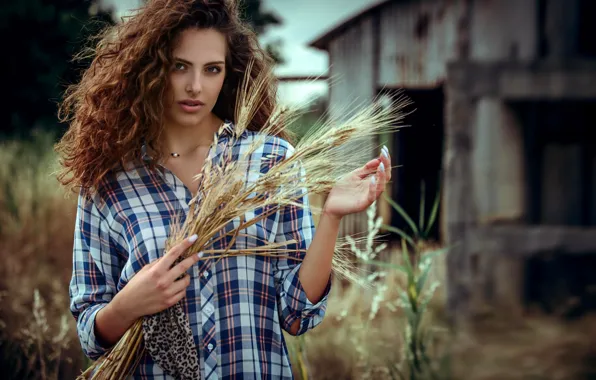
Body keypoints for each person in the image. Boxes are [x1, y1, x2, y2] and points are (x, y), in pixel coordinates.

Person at [56, 0, 392, 378]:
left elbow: (296, 315)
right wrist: (128, 305)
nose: (195, 86)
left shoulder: (271, 161)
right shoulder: (109, 180)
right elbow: (91, 334)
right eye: (179, 66)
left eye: (211, 69)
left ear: (228, 74)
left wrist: (330, 215)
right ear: (150, 69)